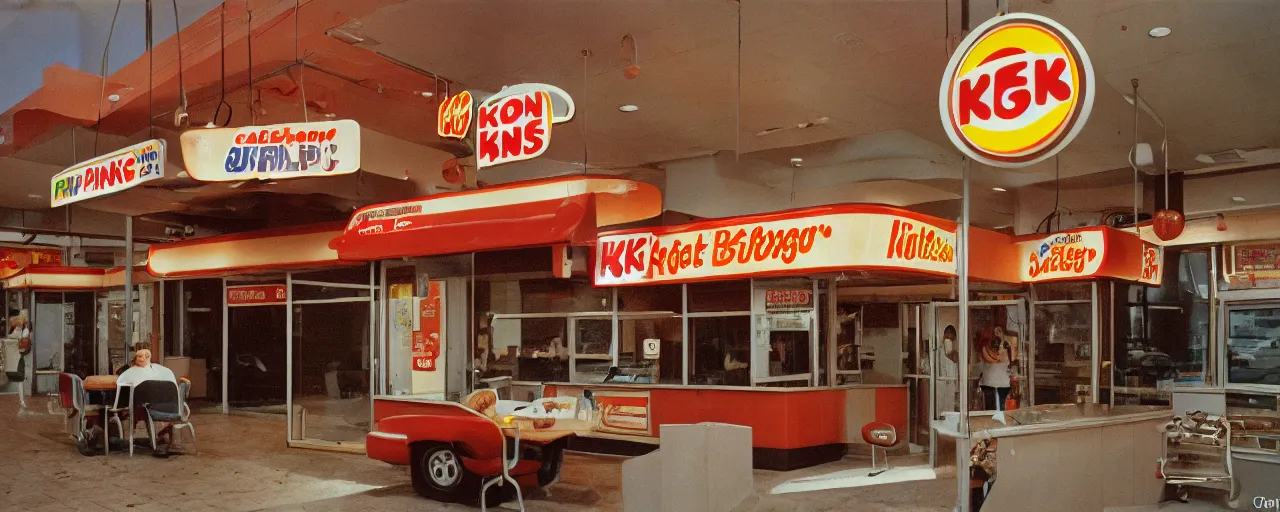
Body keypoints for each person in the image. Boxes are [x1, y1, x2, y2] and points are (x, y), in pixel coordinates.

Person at [978, 326, 1017, 411]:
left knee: (1000, 410)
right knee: (990, 411)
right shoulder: (986, 349)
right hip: (989, 383)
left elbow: (1009, 362)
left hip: (1002, 384)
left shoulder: (1006, 347)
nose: (997, 335)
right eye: (995, 333)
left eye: (999, 332)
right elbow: (992, 359)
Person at [936, 325, 959, 414]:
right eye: (947, 335)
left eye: (951, 336)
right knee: (941, 407)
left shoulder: (955, 353)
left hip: (952, 383)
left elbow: (955, 367)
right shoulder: (939, 350)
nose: (948, 338)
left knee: (950, 407)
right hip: (941, 383)